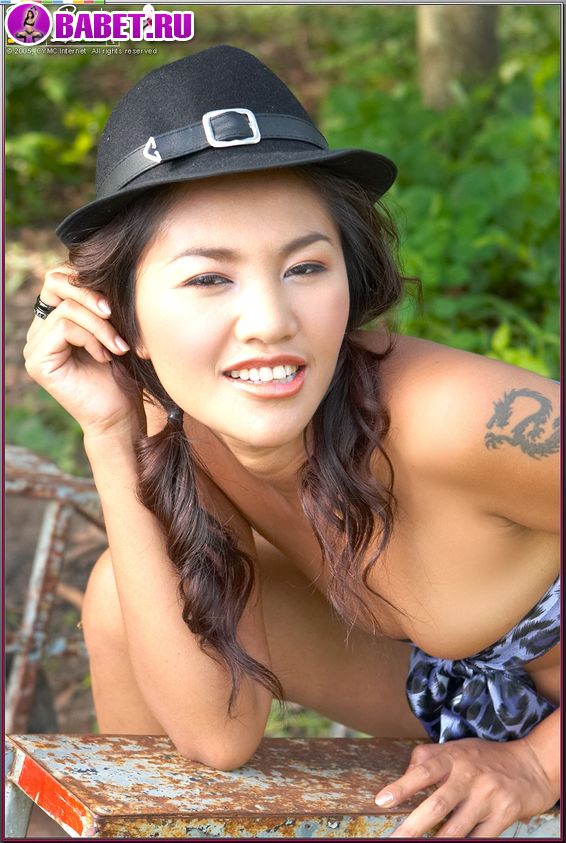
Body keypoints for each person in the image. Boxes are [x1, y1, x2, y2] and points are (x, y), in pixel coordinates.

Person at [24, 46, 559, 838]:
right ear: (121, 317)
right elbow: (217, 731)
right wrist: (110, 428)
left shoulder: (464, 419)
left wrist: (540, 764)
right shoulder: (193, 428)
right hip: (455, 690)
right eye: (210, 278)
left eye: (305, 267)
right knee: (121, 595)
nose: (272, 321)